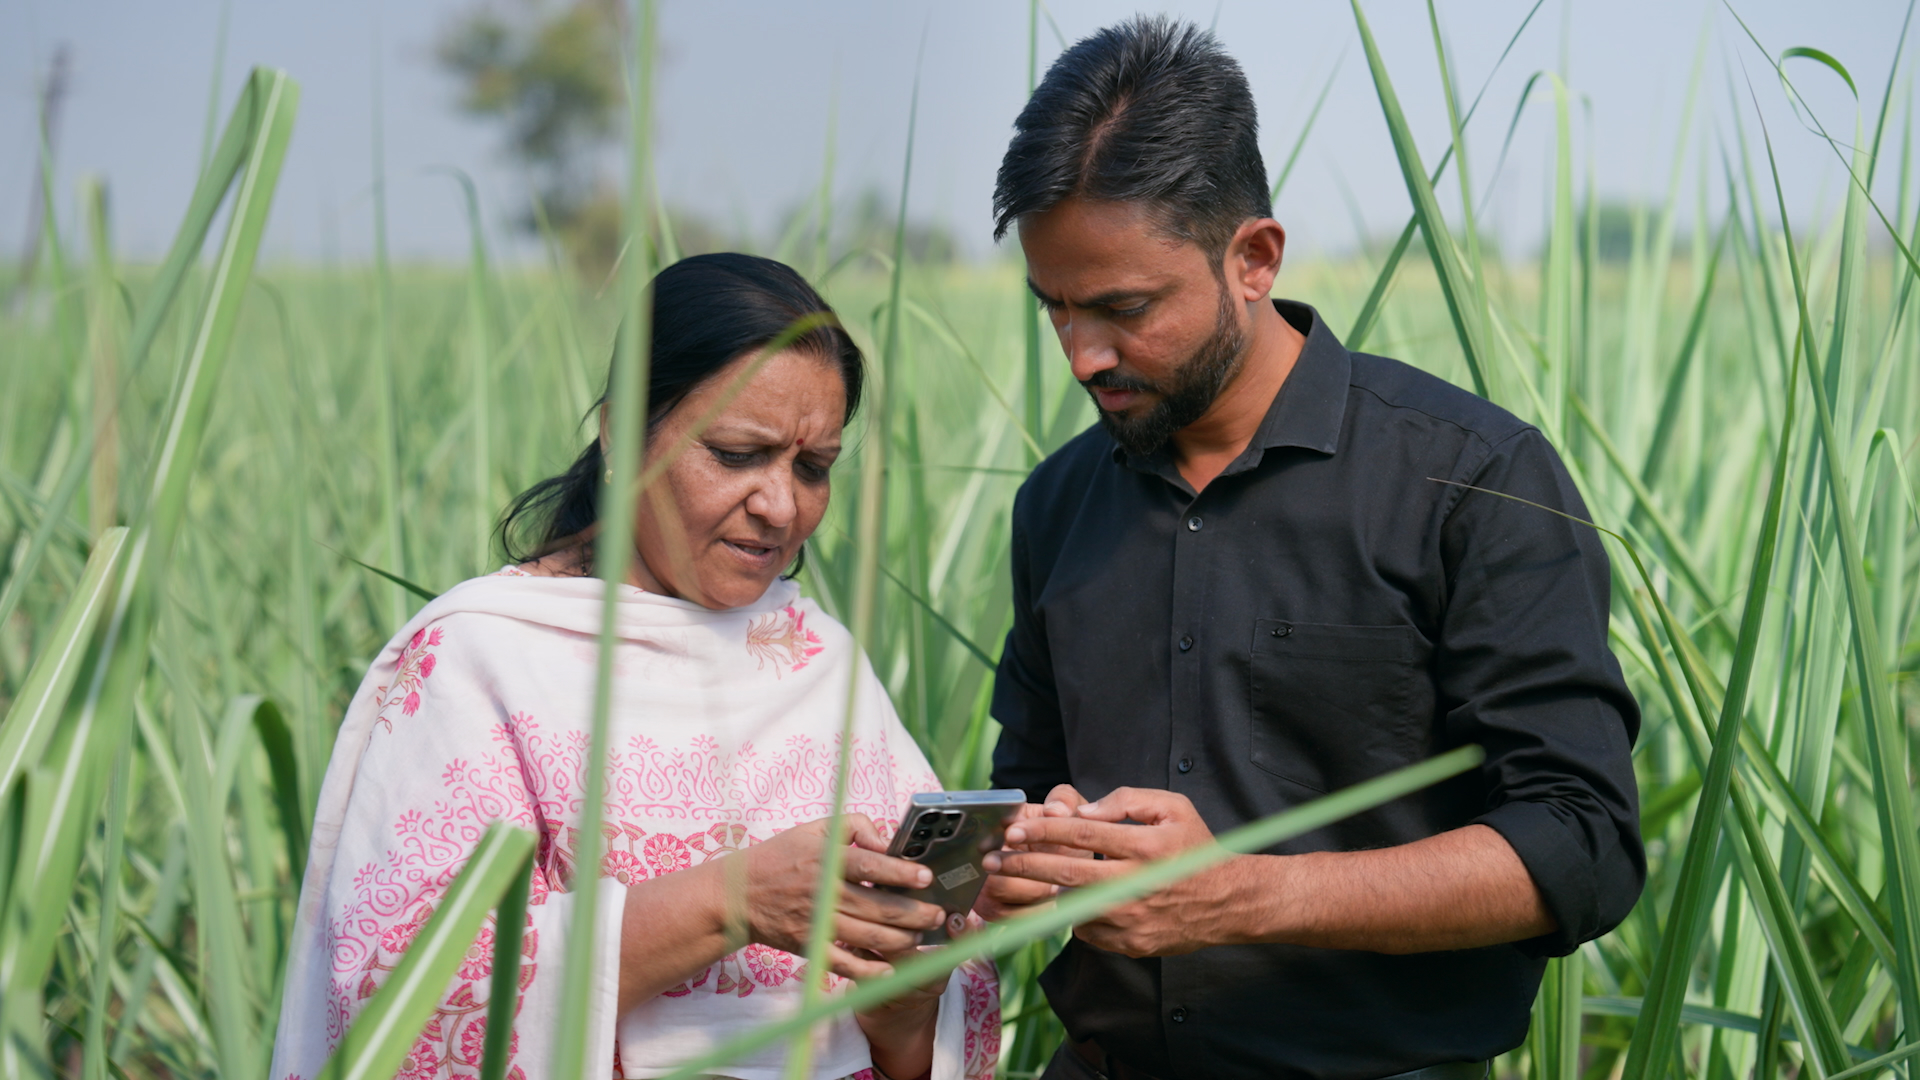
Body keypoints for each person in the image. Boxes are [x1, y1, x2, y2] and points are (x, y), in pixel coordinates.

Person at [975, 18, 1642, 1080]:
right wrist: (1022, 858)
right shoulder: (1058, 503)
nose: (1083, 353)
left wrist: (1243, 892)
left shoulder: (1471, 479)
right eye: (1053, 308)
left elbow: (1582, 845)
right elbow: (1029, 786)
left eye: (1124, 309)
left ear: (1254, 258)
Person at [271, 254, 998, 1080]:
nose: (782, 506)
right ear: (620, 433)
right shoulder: (484, 662)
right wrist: (733, 900)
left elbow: (927, 1026)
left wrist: (906, 1011)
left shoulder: (818, 661)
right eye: (735, 453)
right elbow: (403, 1001)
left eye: (813, 466)